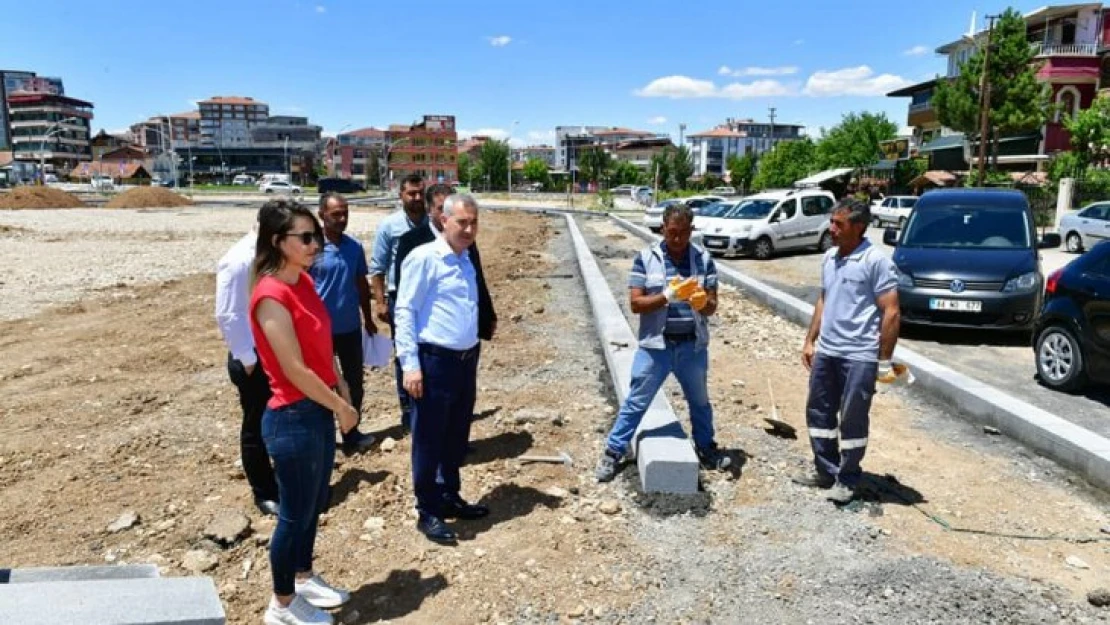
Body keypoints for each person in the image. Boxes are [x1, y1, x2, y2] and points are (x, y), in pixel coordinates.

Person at [250, 200, 357, 625]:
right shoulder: (270, 295)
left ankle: (303, 576)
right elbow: (293, 369)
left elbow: (322, 344)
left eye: (315, 236)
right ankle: (281, 603)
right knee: (293, 514)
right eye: (306, 237)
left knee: (313, 505)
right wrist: (341, 406)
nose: (316, 244)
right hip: (292, 416)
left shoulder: (304, 283)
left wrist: (341, 383)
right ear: (279, 242)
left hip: (317, 410)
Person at [595, 203, 731, 483]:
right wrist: (667, 296)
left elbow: (712, 306)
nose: (678, 239)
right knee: (636, 401)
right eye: (672, 233)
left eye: (683, 233)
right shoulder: (645, 259)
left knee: (700, 402)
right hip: (656, 347)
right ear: (662, 230)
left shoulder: (703, 260)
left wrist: (703, 302)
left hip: (692, 347)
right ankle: (613, 452)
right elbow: (635, 303)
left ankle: (706, 448)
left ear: (691, 231)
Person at [395, 193, 489, 545]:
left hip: (465, 362)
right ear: (444, 221)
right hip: (434, 362)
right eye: (462, 222)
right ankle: (428, 511)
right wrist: (410, 365)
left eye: (473, 222)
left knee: (456, 436)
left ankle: (450, 494)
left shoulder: (466, 259)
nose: (468, 229)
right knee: (429, 440)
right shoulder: (424, 258)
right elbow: (405, 311)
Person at [795, 197, 901, 504]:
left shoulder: (875, 261)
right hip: (828, 351)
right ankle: (826, 470)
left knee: (853, 418)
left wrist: (884, 360)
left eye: (838, 224)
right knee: (819, 411)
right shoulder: (829, 258)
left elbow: (891, 312)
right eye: (831, 222)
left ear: (858, 227)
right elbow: (824, 300)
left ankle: (849, 477)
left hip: (859, 355)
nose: (831, 229)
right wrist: (810, 340)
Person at [215, 206, 280, 516]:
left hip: (270, 353)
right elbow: (227, 314)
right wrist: (248, 358)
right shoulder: (239, 259)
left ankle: (276, 479)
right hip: (253, 358)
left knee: (274, 422)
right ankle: (263, 491)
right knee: (255, 426)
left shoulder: (267, 256)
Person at [309, 192, 376, 454]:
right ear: (322, 215)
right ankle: (324, 439)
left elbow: (361, 285)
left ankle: (351, 433)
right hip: (319, 332)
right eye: (336, 214)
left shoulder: (353, 247)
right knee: (323, 385)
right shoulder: (311, 249)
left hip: (349, 328)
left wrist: (368, 318)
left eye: (345, 213)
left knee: (353, 382)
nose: (342, 218)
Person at [395, 183, 497, 342]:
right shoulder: (412, 242)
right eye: (441, 208)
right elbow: (405, 294)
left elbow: (477, 279)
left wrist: (488, 313)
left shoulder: (465, 240)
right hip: (430, 338)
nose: (447, 213)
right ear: (429, 209)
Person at [369, 174, 428, 430]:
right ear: (401, 195)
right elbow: (378, 268)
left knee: (428, 350)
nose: (416, 198)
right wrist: (380, 302)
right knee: (404, 351)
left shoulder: (433, 224)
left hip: (428, 299)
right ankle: (407, 408)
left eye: (419, 193)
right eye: (411, 193)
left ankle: (428, 404)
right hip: (399, 298)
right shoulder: (389, 226)